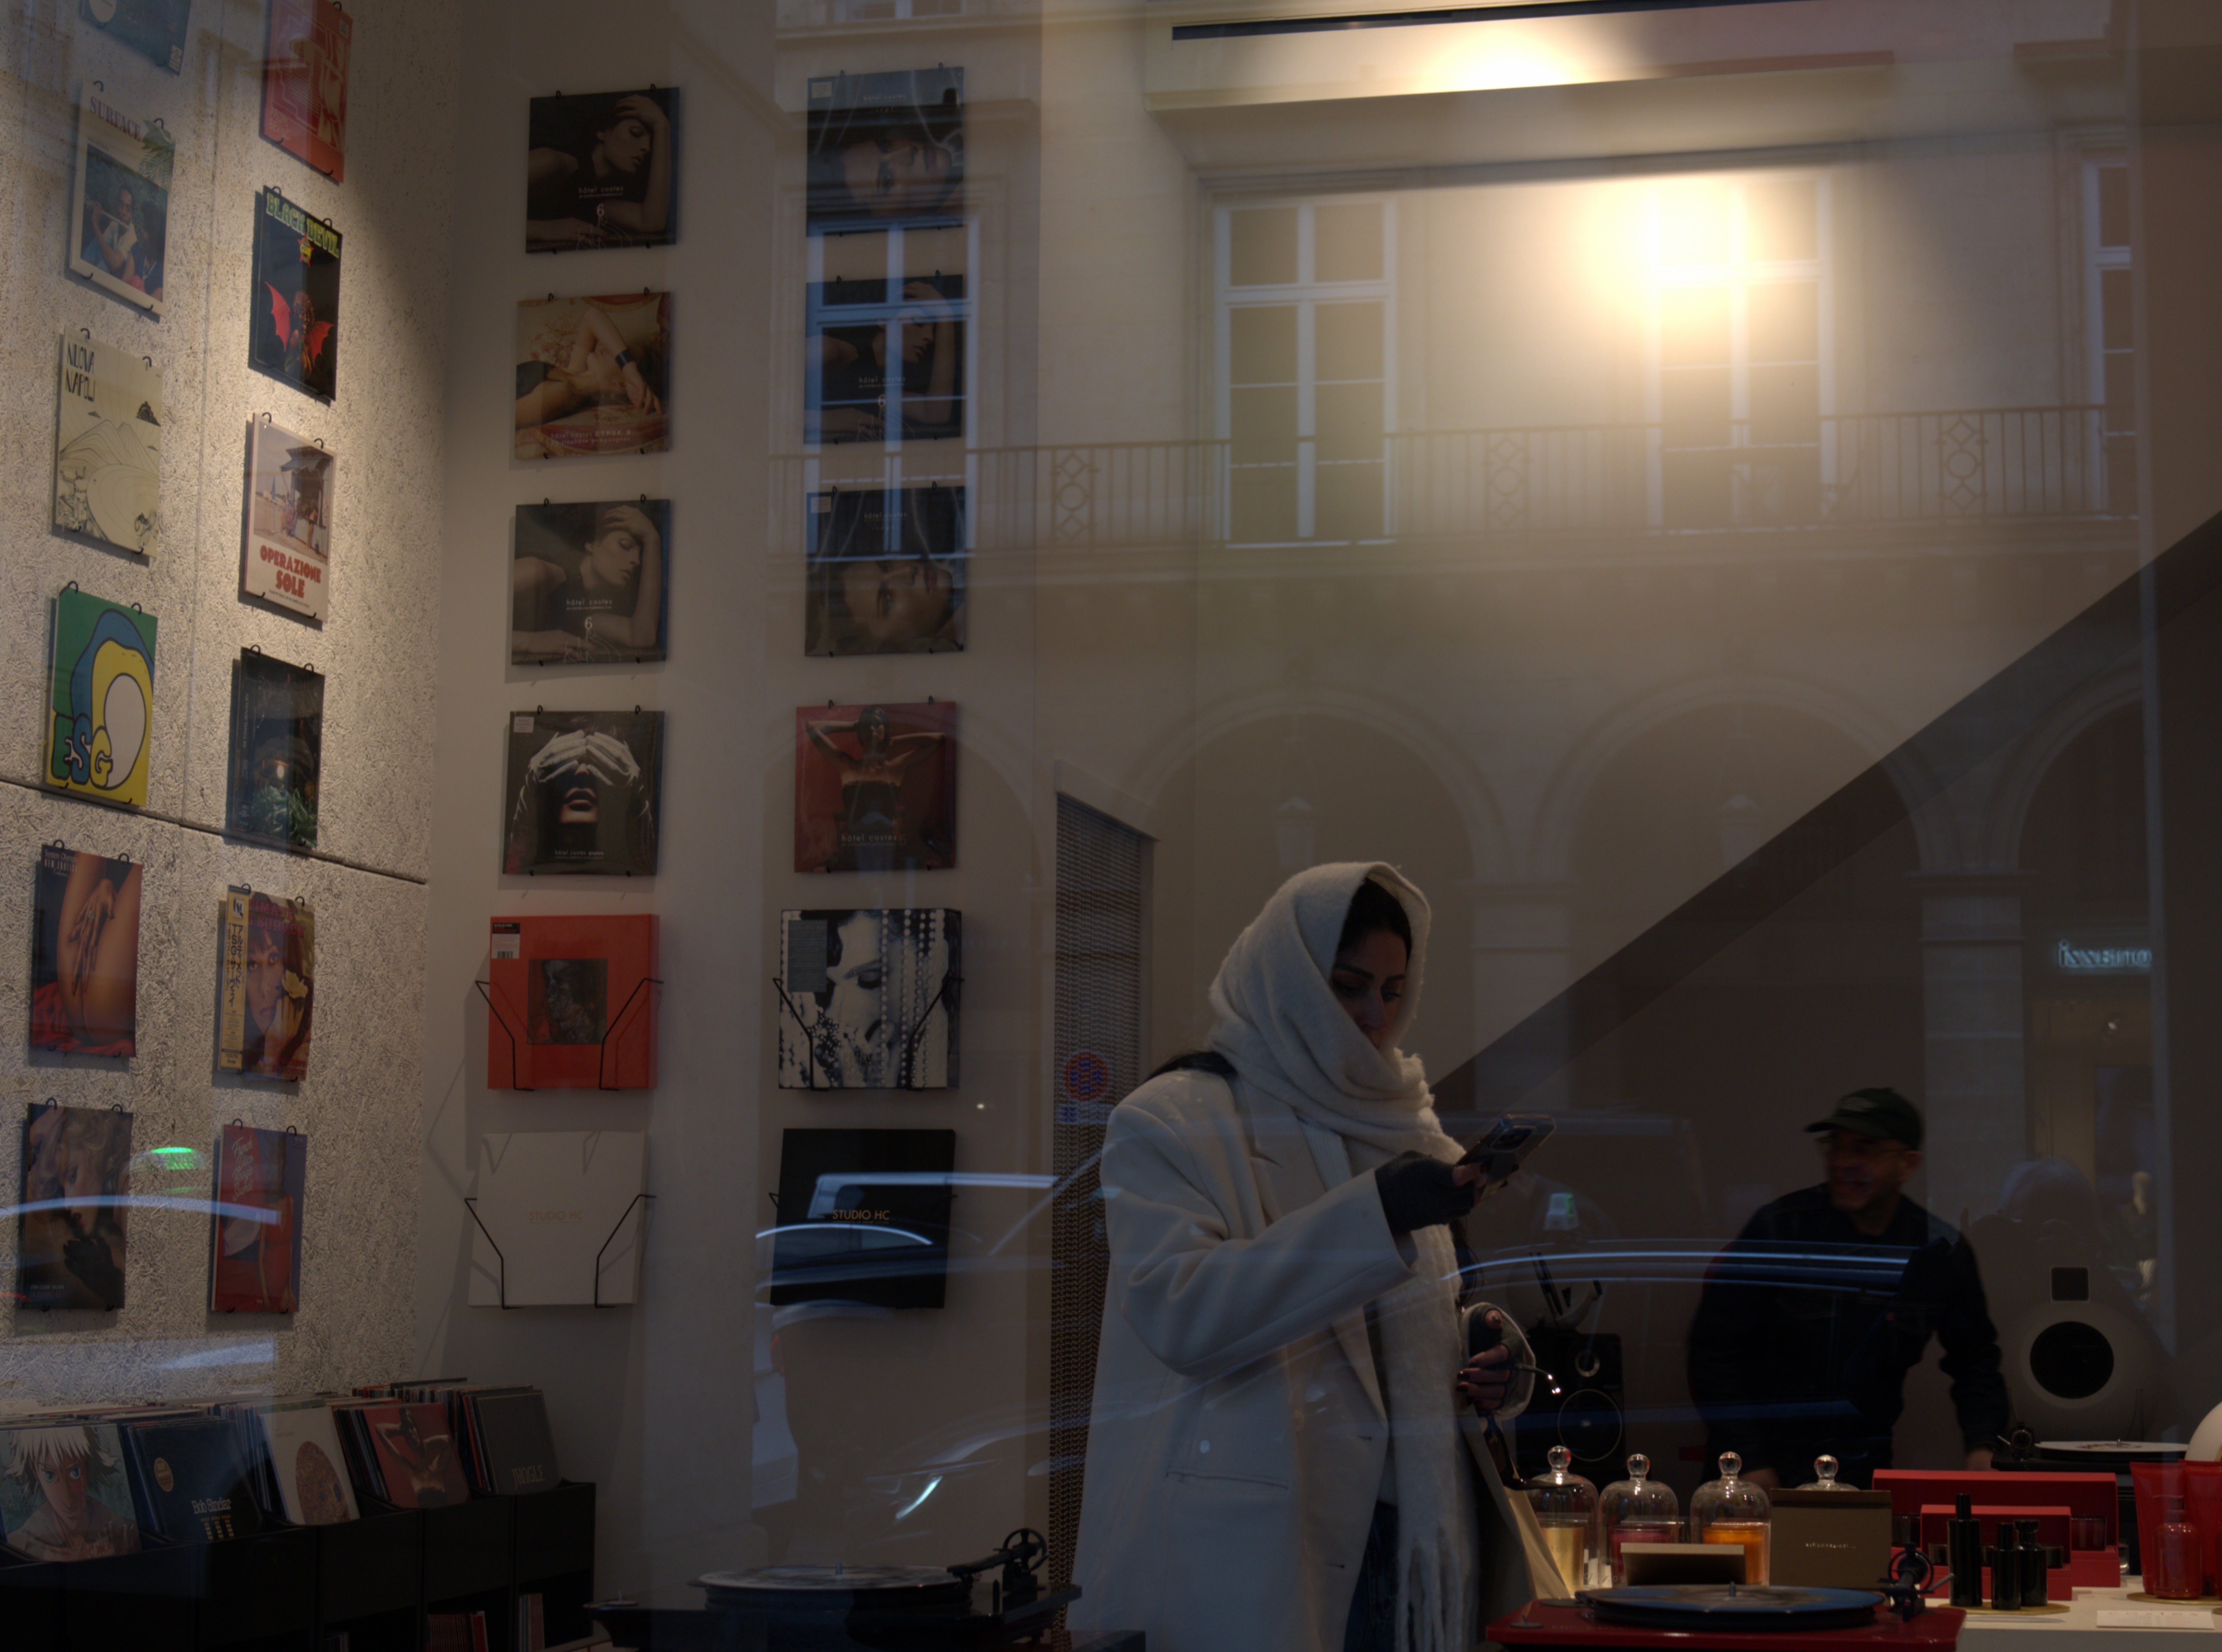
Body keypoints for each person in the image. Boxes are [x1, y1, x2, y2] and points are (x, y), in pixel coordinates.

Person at [1070, 864, 1560, 1652]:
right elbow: (1184, 1314)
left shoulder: (1400, 1122)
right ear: (1288, 980)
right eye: (1348, 986)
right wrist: (1379, 1212)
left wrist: (1481, 1350)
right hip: (1259, 1553)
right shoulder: (1171, 1119)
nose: (1375, 1017)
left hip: (1406, 1544)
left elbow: (1389, 1336)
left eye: (1393, 990)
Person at [1687, 1088, 2009, 1489]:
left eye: (1864, 1149)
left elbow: (1977, 1360)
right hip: (1757, 1467)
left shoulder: (1936, 1252)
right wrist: (1748, 1457)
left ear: (1907, 1164)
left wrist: (1984, 1445)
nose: (1842, 1163)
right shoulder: (1781, 1228)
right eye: (1835, 1146)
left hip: (1859, 1469)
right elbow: (1714, 1350)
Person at [513, 501, 664, 661]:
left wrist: (652, 539)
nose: (637, 561)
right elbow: (491, 614)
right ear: (591, 544)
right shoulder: (540, 572)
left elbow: (641, 637)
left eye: (640, 555)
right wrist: (529, 641)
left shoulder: (583, 606)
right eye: (625, 545)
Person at [802, 706, 949, 870]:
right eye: (867, 725)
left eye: (877, 724)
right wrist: (853, 725)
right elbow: (812, 728)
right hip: (853, 849)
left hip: (890, 848)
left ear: (885, 730)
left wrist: (896, 741)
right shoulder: (846, 765)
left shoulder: (897, 767)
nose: (872, 729)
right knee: (820, 872)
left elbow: (940, 739)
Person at [527, 92, 673, 250]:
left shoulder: (596, 195)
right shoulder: (552, 162)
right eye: (636, 133)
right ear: (602, 132)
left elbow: (651, 223)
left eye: (652, 142)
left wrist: (662, 127)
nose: (647, 148)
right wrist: (544, 229)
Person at [516, 302, 664, 432]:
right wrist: (629, 368)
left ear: (623, 384)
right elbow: (592, 316)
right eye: (621, 353)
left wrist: (630, 371)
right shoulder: (575, 372)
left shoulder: (563, 393)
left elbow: (507, 418)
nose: (614, 349)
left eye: (628, 354)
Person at [4, 1427, 139, 1561]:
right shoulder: (19, 1544)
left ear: (87, 1467)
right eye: (50, 1475)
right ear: (35, 1473)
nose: (68, 1501)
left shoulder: (125, 1534)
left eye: (75, 1473)